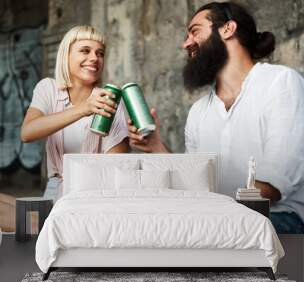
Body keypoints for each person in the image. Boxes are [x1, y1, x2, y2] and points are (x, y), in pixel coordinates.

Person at [128, 2, 304, 234]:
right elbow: (193, 186)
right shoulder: (199, 112)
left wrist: (206, 213)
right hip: (213, 222)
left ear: (227, 29)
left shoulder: (281, 82)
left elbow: (273, 185)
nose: (186, 43)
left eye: (195, 31)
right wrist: (156, 147)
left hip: (279, 220)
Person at [21, 26, 129, 202]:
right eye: (85, 51)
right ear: (66, 55)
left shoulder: (110, 100)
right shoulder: (48, 88)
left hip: (92, 195)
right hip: (55, 189)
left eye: (100, 53)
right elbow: (27, 133)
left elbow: (115, 168)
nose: (94, 58)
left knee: (26, 220)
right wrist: (83, 109)